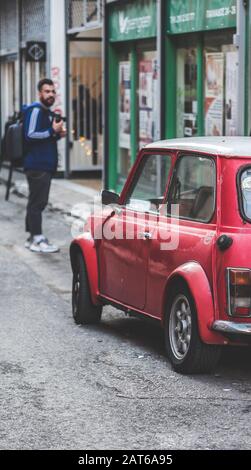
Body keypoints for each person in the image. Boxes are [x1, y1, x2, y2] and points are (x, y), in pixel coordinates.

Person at [23, 78, 66, 253]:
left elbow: (44, 138)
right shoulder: (35, 110)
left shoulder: (46, 112)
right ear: (39, 93)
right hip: (37, 165)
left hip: (43, 165)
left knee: (35, 202)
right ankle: (38, 239)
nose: (50, 94)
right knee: (38, 203)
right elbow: (30, 135)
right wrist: (52, 131)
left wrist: (57, 135)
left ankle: (32, 237)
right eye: (47, 91)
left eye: (53, 91)